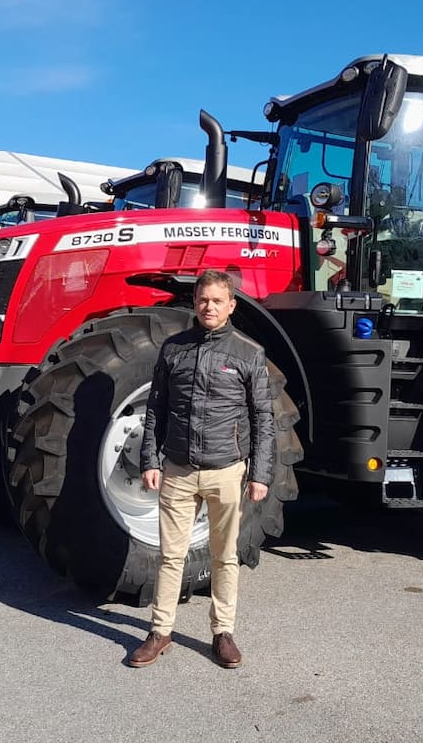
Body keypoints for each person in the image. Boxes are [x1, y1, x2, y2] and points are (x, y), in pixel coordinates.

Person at [129, 269, 275, 669]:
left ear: (231, 305)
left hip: (226, 471)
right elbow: (155, 409)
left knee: (224, 557)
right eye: (202, 300)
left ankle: (222, 633)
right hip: (176, 469)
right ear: (194, 303)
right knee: (170, 556)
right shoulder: (174, 349)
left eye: (217, 301)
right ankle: (160, 632)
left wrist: (260, 474)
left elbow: (263, 417)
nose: (209, 307)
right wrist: (149, 460)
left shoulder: (248, 353)